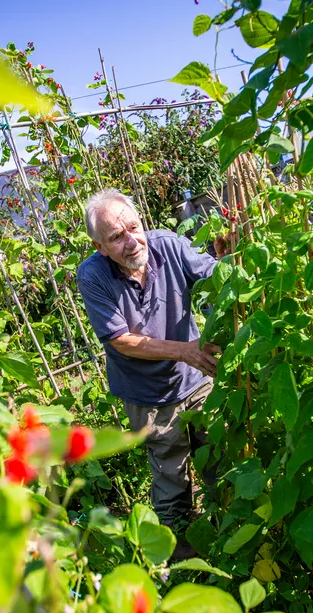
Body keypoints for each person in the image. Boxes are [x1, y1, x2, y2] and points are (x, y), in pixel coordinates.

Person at [76, 188, 225, 559]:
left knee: (219, 461)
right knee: (171, 476)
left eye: (133, 227)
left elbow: (214, 278)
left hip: (197, 380)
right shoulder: (93, 276)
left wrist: (227, 261)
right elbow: (122, 340)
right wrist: (186, 351)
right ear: (100, 247)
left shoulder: (169, 246)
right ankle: (181, 560)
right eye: (116, 237)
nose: (130, 241)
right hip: (147, 395)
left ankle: (229, 542)